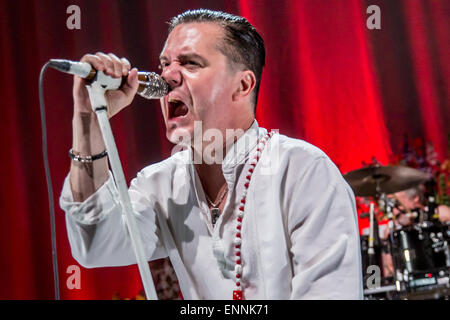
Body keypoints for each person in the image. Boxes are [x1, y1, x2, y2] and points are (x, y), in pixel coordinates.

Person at [59, 9, 363, 300]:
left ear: (242, 85)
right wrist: (88, 120)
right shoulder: (161, 183)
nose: (167, 78)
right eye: (164, 64)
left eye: (191, 64)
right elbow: (96, 244)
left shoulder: (303, 171)